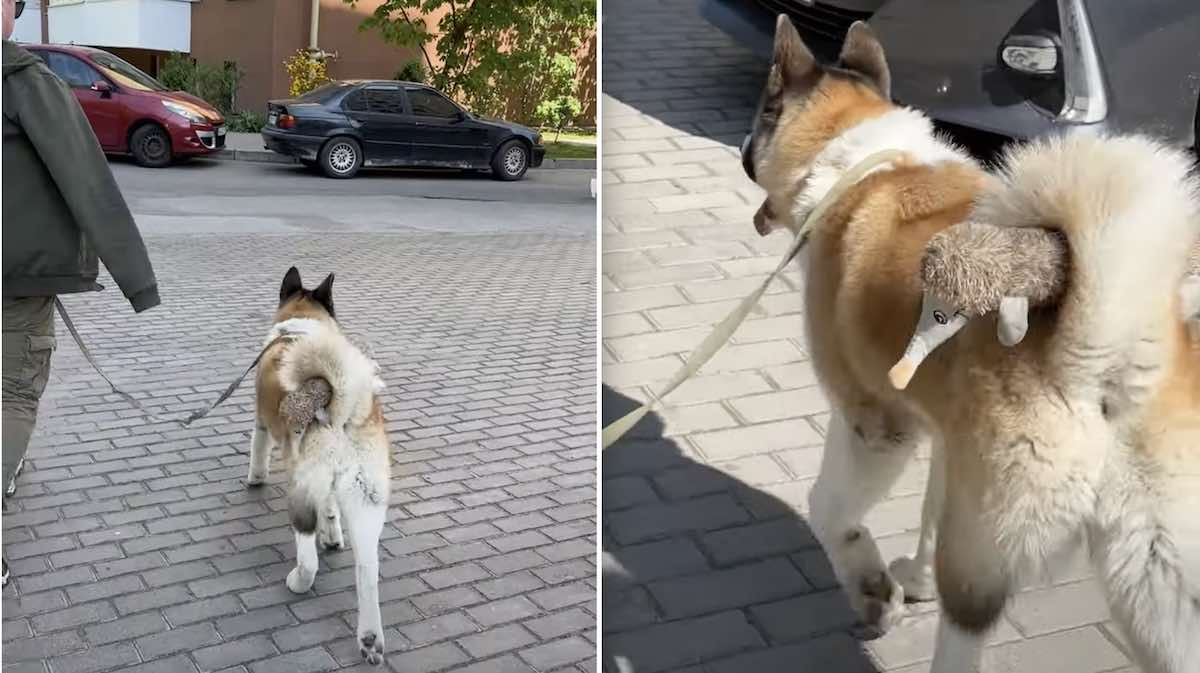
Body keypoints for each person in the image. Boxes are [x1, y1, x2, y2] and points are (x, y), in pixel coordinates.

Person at [2, 0, 160, 586]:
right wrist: (138, 284)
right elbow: (86, 180)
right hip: (16, 284)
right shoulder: (22, 81)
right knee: (13, 395)